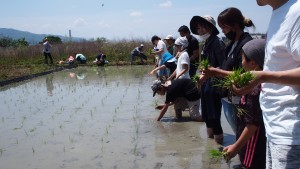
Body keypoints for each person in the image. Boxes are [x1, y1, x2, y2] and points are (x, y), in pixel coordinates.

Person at [233, 0, 300, 168]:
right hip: (275, 127)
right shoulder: (280, 13)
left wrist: (262, 76)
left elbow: (268, 74)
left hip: (290, 132)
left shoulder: (296, 13)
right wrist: (258, 80)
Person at [222, 39, 266, 169]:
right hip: (250, 141)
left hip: (253, 142)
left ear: (253, 64)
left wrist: (236, 147)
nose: (241, 63)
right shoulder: (254, 84)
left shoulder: (256, 90)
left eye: (242, 59)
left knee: (249, 164)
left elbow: (253, 124)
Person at [190, 15, 226, 144]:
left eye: (202, 27)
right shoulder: (205, 44)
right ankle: (210, 146)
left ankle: (219, 143)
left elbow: (223, 65)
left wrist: (209, 74)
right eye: (198, 28)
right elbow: (204, 65)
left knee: (214, 115)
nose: (200, 31)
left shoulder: (217, 42)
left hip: (215, 84)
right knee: (206, 115)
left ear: (210, 27)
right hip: (205, 84)